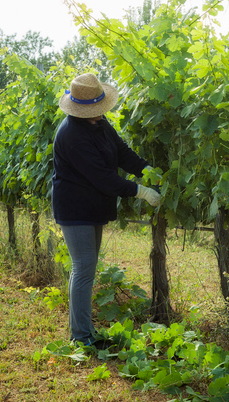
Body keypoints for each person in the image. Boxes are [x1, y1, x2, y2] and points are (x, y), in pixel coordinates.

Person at [51, 73, 160, 348]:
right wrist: (141, 191)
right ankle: (82, 337)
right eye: (94, 112)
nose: (100, 115)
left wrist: (146, 170)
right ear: (80, 110)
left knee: (86, 266)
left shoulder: (97, 122)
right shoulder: (72, 135)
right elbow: (103, 178)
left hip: (92, 205)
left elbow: (121, 152)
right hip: (75, 208)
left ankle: (83, 331)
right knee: (84, 267)